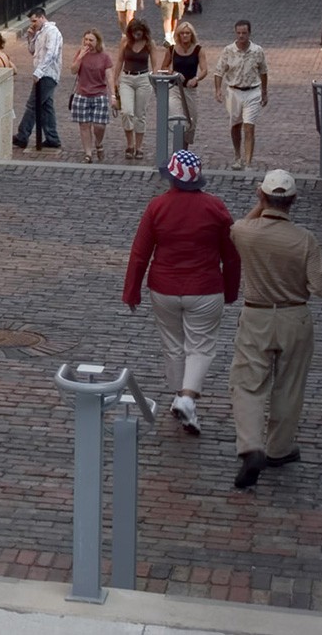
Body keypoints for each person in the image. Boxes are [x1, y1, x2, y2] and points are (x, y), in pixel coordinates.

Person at [122, 150, 240, 436]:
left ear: (172, 179)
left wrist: (132, 291)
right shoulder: (216, 208)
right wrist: (231, 290)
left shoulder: (157, 206)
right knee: (200, 346)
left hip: (164, 287)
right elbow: (232, 255)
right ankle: (187, 398)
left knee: (173, 345)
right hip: (205, 288)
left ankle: (181, 398)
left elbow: (140, 252)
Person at [228, 170, 322, 489]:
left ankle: (250, 446)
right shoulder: (305, 240)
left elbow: (235, 229)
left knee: (247, 383)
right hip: (294, 316)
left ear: (262, 195)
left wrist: (260, 205)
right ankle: (278, 448)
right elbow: (321, 287)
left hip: (257, 315)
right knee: (289, 385)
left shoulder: (246, 232)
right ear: (294, 200)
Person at [211, 19, 270, 171]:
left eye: (244, 33)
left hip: (252, 92)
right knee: (235, 125)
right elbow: (219, 71)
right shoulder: (228, 50)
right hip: (234, 91)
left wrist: (264, 92)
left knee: (249, 127)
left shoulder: (258, 51)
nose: (241, 36)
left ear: (249, 33)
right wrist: (218, 89)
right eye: (238, 33)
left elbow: (263, 72)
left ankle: (248, 161)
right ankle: (238, 156)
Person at [9, 7, 63, 153]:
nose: (33, 24)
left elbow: (51, 54)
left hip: (47, 74)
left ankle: (23, 135)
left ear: (41, 17)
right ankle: (52, 138)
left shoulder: (52, 32)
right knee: (46, 107)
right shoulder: (40, 32)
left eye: (34, 21)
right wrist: (30, 37)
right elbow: (33, 51)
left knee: (33, 104)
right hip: (43, 73)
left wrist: (39, 72)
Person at [112, 19, 157, 162]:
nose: (136, 36)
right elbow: (120, 60)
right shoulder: (125, 42)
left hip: (143, 79)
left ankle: (139, 147)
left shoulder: (150, 44)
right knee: (126, 112)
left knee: (140, 115)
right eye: (134, 33)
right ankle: (129, 143)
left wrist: (154, 79)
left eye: (139, 33)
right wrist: (115, 79)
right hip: (127, 78)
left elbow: (155, 64)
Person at [69, 29, 114, 164]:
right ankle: (88, 153)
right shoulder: (80, 53)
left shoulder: (104, 57)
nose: (88, 42)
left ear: (97, 42)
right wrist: (80, 57)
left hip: (99, 94)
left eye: (91, 40)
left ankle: (98, 143)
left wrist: (113, 95)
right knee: (84, 125)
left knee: (99, 125)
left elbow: (109, 77)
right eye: (86, 39)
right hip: (82, 93)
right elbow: (73, 70)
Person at [164, 21, 207, 149]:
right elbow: (164, 66)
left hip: (190, 90)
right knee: (177, 119)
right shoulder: (172, 49)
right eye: (182, 33)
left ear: (191, 35)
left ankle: (184, 149)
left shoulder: (198, 50)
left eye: (187, 33)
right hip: (175, 88)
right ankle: (176, 149)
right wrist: (173, 72)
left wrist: (196, 78)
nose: (185, 36)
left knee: (191, 121)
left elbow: (204, 70)